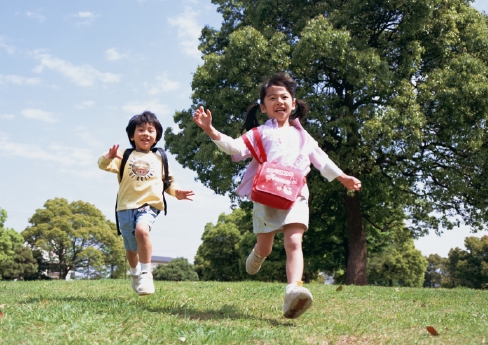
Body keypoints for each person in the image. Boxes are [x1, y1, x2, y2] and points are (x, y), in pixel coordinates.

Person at [192, 73, 361, 319]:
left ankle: (294, 289)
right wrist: (210, 130)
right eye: (272, 98)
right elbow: (235, 147)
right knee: (266, 245)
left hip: (296, 194)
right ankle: (259, 254)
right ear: (263, 107)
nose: (279, 101)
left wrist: (342, 176)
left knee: (294, 242)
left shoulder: (303, 136)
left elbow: (320, 159)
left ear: (293, 104)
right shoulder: (259, 133)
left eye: (284, 97)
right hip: (267, 194)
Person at [99, 111, 194, 296]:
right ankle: (134, 273)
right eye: (140, 129)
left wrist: (177, 193)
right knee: (131, 249)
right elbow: (102, 165)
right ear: (131, 136)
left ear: (156, 136)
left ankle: (146, 274)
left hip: (149, 205)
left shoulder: (160, 158)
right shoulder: (124, 156)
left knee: (142, 231)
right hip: (125, 207)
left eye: (151, 130)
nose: (146, 133)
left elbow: (169, 183)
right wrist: (108, 156)